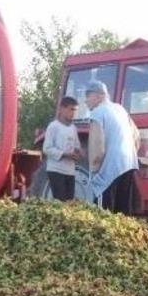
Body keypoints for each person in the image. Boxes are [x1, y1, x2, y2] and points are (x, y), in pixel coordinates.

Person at [85, 80, 140, 215]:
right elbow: (136, 136)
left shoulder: (98, 113)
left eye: (88, 96)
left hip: (110, 170)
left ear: (99, 95)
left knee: (103, 217)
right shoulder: (120, 109)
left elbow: (97, 148)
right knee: (122, 215)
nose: (85, 101)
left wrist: (94, 172)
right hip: (129, 166)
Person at [42, 96, 81, 201]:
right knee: (60, 202)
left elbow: (77, 146)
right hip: (56, 170)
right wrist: (64, 154)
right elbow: (46, 148)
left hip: (70, 171)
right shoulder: (53, 126)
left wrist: (79, 153)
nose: (73, 113)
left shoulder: (73, 128)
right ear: (62, 109)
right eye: (71, 109)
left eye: (75, 110)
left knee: (69, 203)